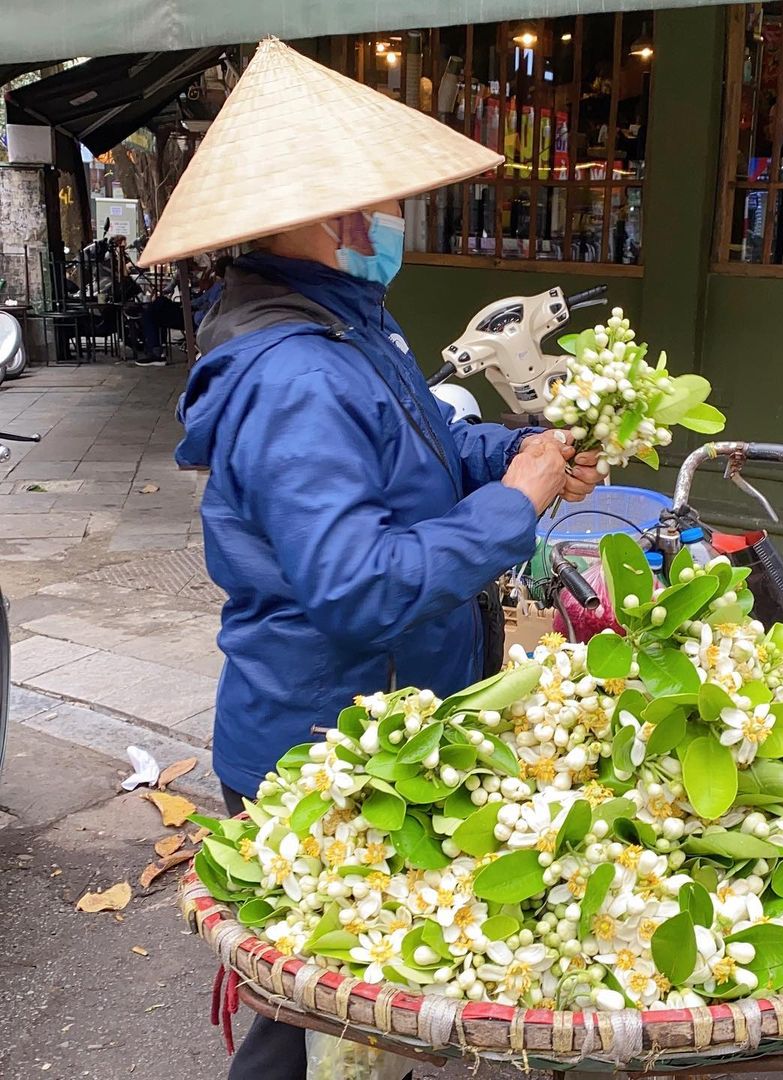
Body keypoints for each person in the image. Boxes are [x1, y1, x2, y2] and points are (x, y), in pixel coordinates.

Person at [138, 39, 602, 1079]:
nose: (396, 218)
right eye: (385, 201)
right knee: (310, 1013)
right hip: (323, 751)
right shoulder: (295, 374)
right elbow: (357, 587)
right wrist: (514, 510)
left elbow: (417, 456)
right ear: (338, 218)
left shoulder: (350, 330)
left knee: (358, 1003)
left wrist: (517, 454)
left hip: (379, 728)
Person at [135, 255, 232, 366]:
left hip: (196, 318)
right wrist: (186, 305)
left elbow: (212, 311)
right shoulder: (218, 284)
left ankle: (155, 353)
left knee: (151, 313)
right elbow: (202, 299)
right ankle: (156, 349)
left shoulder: (224, 287)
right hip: (190, 309)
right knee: (159, 303)